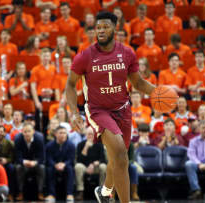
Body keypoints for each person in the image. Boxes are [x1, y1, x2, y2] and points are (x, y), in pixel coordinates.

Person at [65, 11, 155, 203]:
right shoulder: (85, 56)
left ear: (115, 28)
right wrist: (74, 113)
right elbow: (70, 86)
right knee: (121, 155)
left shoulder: (127, 53)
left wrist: (159, 92)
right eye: (98, 27)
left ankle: (105, 192)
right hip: (98, 111)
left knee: (118, 160)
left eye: (105, 27)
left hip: (123, 109)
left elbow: (138, 83)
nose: (101, 31)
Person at [74, 126, 107, 201]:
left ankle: (102, 191)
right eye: (89, 134)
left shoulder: (99, 144)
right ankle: (80, 191)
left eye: (92, 134)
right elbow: (79, 160)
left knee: (104, 166)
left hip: (96, 167)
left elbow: (103, 159)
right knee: (78, 166)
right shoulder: (80, 144)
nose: (90, 136)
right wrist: (85, 147)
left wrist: (96, 163)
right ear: (85, 135)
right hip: (84, 167)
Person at [15, 123, 45, 201]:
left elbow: (42, 157)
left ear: (33, 131)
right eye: (25, 131)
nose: (27, 133)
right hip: (24, 163)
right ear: (22, 132)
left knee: (42, 168)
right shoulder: (18, 139)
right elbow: (17, 157)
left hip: (35, 163)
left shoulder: (39, 139)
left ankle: (40, 192)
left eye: (29, 131)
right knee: (18, 168)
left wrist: (35, 162)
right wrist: (24, 162)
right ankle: (20, 192)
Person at [45, 126, 75, 201]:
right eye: (60, 133)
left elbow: (71, 159)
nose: (63, 135)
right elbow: (48, 158)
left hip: (66, 165)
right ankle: (51, 194)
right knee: (49, 170)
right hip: (54, 165)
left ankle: (69, 194)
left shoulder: (71, 145)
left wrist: (64, 164)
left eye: (64, 133)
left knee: (70, 169)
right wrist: (55, 165)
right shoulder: (49, 145)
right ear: (55, 134)